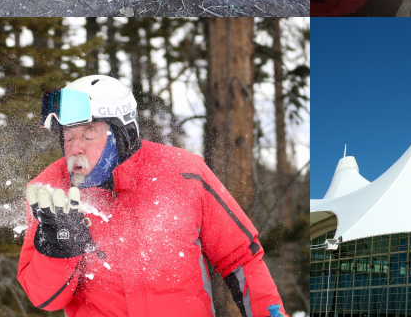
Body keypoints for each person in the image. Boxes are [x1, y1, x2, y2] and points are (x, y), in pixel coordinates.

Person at [17, 75, 289, 317]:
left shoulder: (184, 173)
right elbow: (44, 299)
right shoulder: (51, 193)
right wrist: (57, 248)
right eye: (68, 136)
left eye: (88, 135)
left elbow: (241, 257)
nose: (75, 149)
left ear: (122, 134)